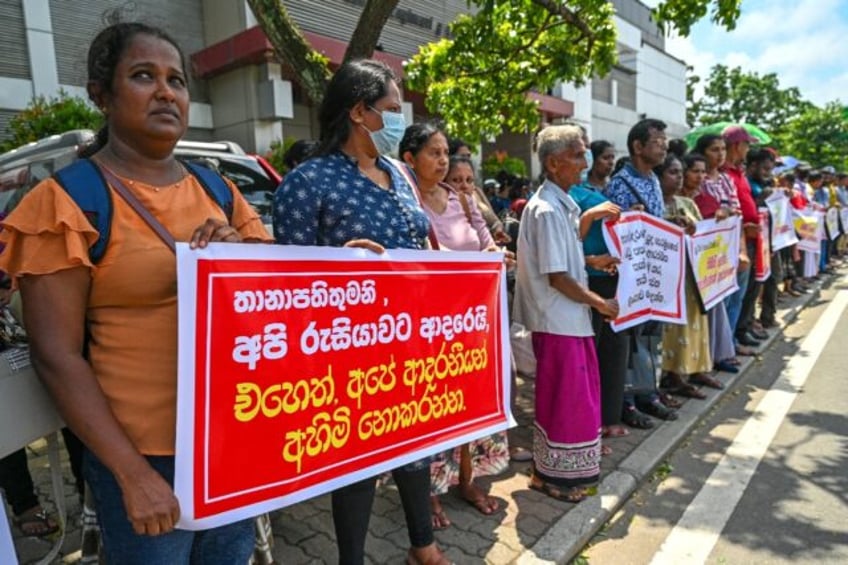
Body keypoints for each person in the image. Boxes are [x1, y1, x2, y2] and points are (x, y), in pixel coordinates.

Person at [0, 22, 272, 563]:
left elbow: (276, 302)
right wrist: (131, 474)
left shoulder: (219, 191)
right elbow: (57, 357)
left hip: (232, 442)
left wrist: (351, 264)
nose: (166, 91)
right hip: (146, 458)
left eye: (177, 80)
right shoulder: (67, 204)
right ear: (102, 95)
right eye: (144, 76)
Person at [272, 59, 449, 565]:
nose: (399, 120)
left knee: (414, 444)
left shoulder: (398, 173)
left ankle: (424, 545)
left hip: (411, 341)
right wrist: (343, 265)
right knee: (359, 463)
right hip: (349, 357)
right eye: (391, 110)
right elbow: (291, 286)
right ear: (358, 112)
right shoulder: (308, 183)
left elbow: (418, 243)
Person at [399, 122, 510, 531]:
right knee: (433, 409)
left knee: (471, 403)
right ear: (409, 159)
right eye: (434, 153)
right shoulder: (405, 203)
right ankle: (427, 495)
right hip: (428, 327)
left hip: (472, 321)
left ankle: (468, 479)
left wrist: (496, 253)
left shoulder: (460, 199)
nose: (443, 160)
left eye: (446, 152)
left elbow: (484, 240)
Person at [513, 124, 619, 502]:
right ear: (555, 163)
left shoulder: (561, 205)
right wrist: (600, 303)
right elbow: (557, 277)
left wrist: (591, 259)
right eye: (578, 154)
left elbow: (563, 260)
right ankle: (555, 477)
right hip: (557, 320)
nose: (585, 161)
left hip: (568, 320)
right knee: (566, 402)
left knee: (571, 399)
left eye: (585, 152)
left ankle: (549, 473)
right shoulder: (545, 210)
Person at [605, 118, 679, 427]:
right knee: (631, 340)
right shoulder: (620, 184)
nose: (664, 146)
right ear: (638, 147)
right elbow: (616, 231)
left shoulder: (652, 182)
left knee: (650, 339)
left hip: (654, 275)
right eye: (657, 141)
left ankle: (648, 393)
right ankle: (627, 401)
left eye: (665, 141)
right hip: (631, 279)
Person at [569, 140, 631, 439]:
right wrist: (591, 216)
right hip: (585, 280)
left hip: (611, 274)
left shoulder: (597, 192)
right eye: (577, 152)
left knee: (615, 348)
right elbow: (566, 245)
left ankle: (610, 416)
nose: (584, 160)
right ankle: (591, 422)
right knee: (591, 354)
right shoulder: (560, 198)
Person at [654, 155, 720, 397]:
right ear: (658, 177)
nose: (679, 177)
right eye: (672, 172)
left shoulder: (688, 204)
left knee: (695, 324)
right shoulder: (654, 205)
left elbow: (701, 234)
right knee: (673, 328)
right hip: (669, 276)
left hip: (693, 274)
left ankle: (697, 369)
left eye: (680, 172)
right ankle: (673, 375)